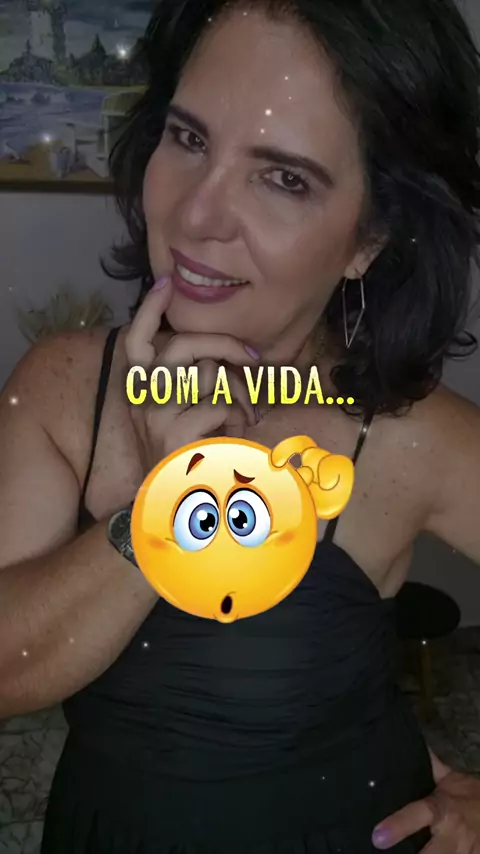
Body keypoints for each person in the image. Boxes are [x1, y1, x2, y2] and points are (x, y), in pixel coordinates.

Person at [1, 0, 480, 851]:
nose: (196, 216)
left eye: (284, 178)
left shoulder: (406, 436)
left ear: (370, 238)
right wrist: (161, 507)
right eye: (188, 138)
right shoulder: (63, 388)